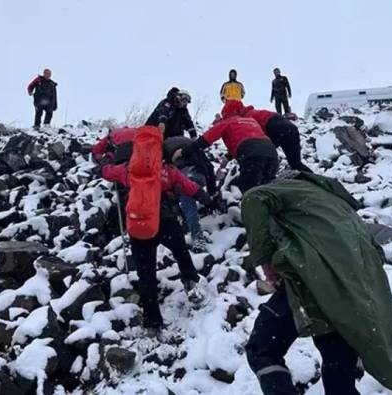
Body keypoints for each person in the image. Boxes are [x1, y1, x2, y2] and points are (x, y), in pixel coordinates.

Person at [241, 171, 392, 395]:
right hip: (353, 295)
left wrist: (265, 260)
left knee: (262, 349)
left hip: (312, 281)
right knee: (338, 365)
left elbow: (254, 198)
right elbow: (375, 251)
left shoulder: (291, 190)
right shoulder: (338, 206)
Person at [99, 156, 214, 332]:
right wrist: (208, 199)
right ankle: (192, 286)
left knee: (146, 273)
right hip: (166, 220)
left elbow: (107, 173)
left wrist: (105, 164)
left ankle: (153, 321)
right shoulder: (166, 169)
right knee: (181, 253)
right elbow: (189, 186)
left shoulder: (127, 169)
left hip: (139, 225)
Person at [172, 100, 278, 193]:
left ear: (225, 112)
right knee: (267, 190)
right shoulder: (251, 121)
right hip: (272, 153)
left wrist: (183, 152)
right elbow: (251, 139)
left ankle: (253, 214)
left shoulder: (227, 122)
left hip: (251, 155)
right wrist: (228, 157)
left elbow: (204, 140)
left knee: (250, 193)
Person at [164, 136, 217, 252]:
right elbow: (209, 166)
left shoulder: (164, 146)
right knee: (187, 200)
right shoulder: (192, 143)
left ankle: (197, 237)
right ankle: (188, 228)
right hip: (199, 173)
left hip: (183, 175)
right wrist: (212, 193)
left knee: (187, 203)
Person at [243, 105, 312, 173]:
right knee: (296, 163)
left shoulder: (247, 119)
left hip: (275, 129)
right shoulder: (258, 112)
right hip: (291, 129)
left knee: (265, 159)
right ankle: (316, 179)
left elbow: (257, 137)